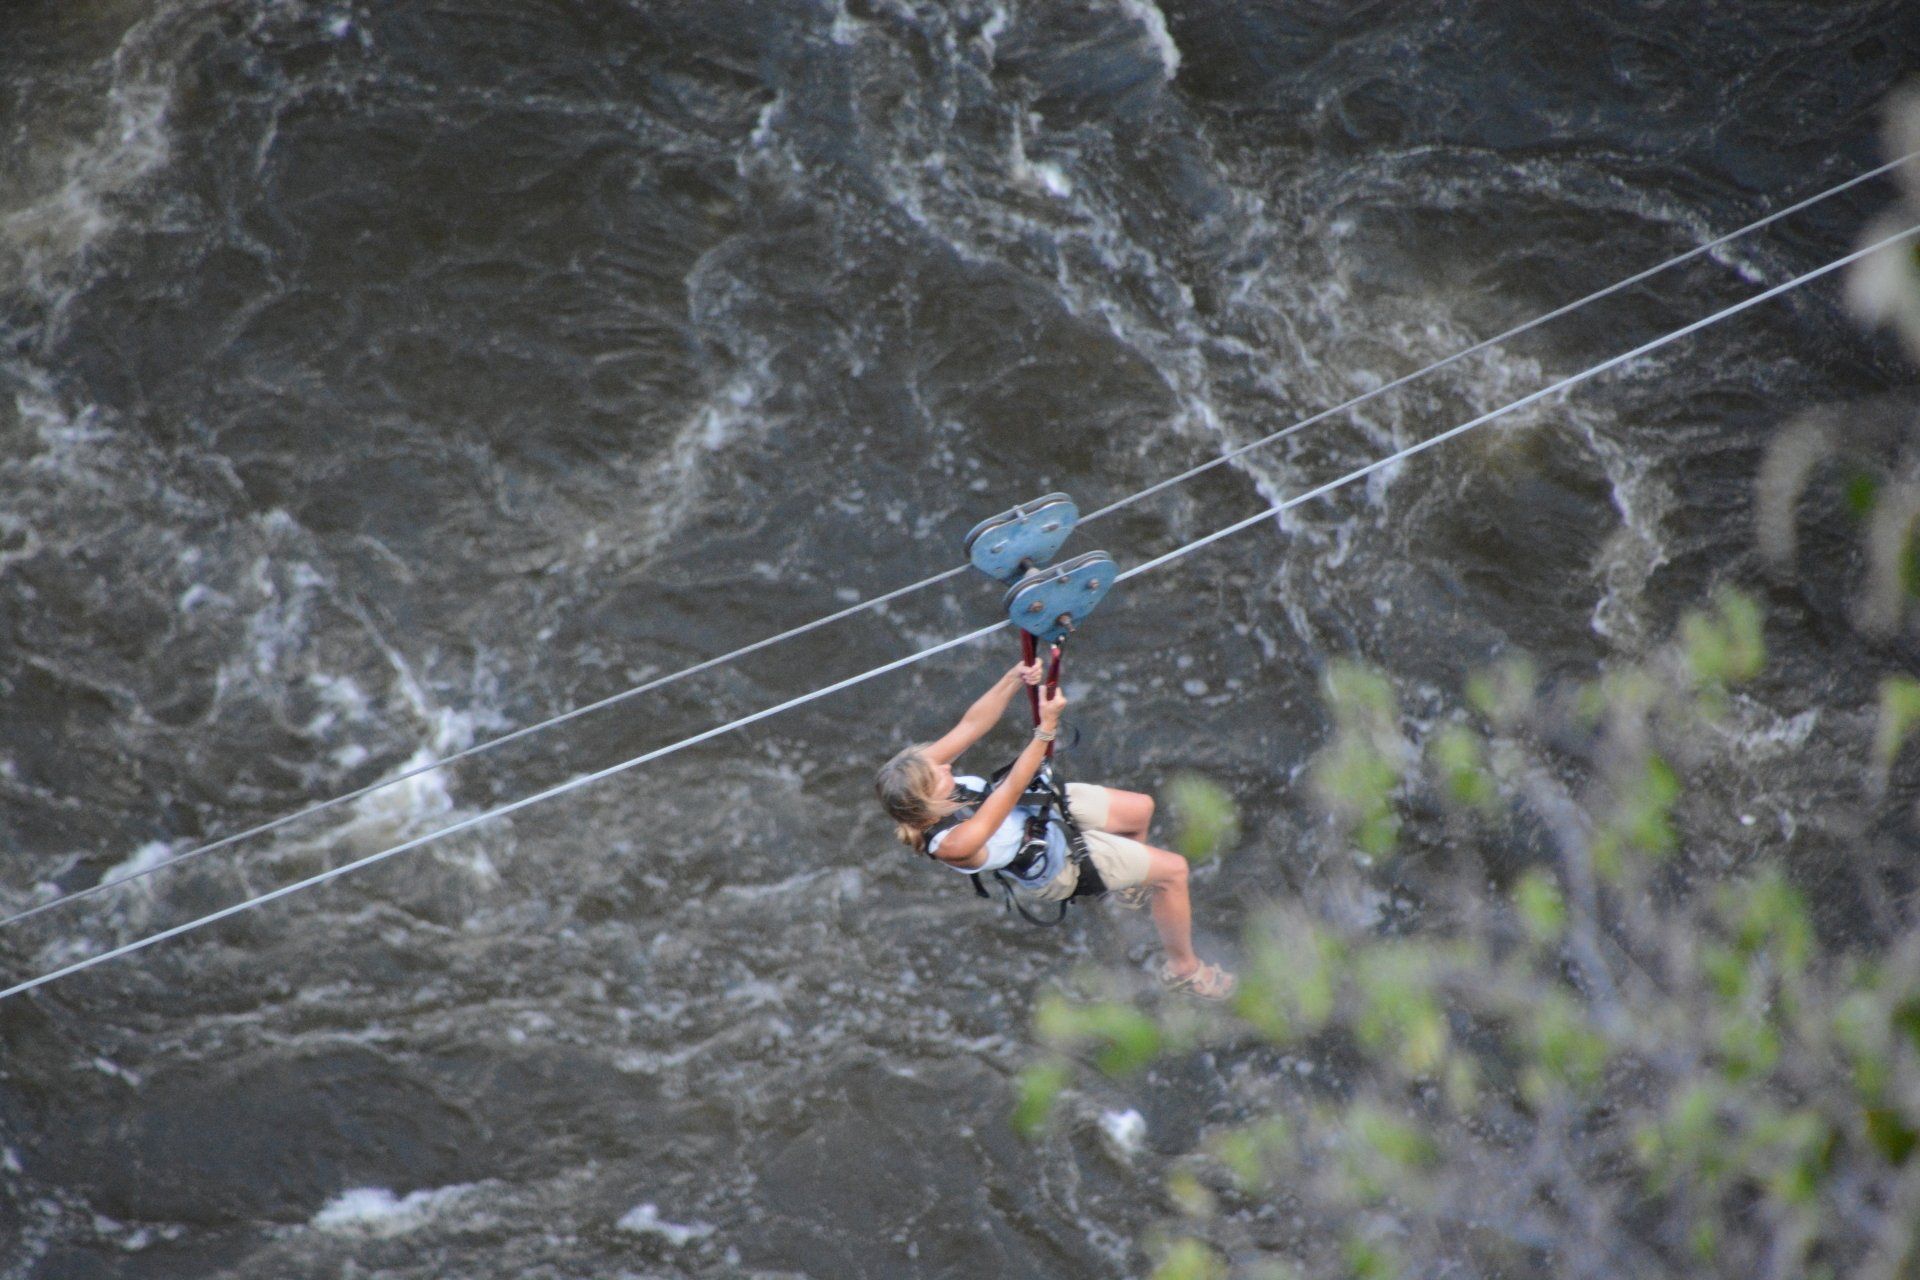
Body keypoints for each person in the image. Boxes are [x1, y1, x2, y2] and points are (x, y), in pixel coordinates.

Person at [875, 659, 1236, 999]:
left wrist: (1012, 678)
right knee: (1174, 871)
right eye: (935, 775)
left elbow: (971, 726)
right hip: (1056, 863)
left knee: (1141, 808)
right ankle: (1184, 969)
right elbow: (1010, 788)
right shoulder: (955, 844)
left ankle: (1130, 883)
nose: (943, 767)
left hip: (1038, 812)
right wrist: (1046, 729)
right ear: (926, 803)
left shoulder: (921, 780)